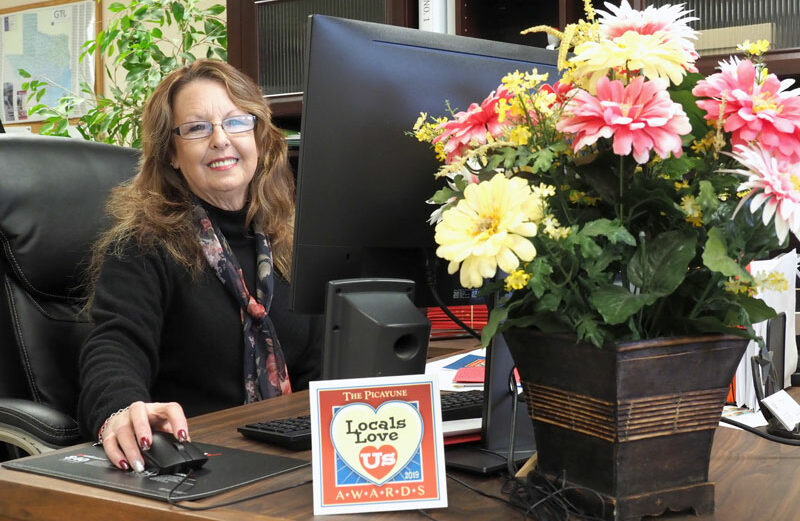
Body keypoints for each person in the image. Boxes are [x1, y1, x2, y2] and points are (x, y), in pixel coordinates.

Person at [78, 59, 322, 473]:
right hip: (197, 464)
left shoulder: (291, 243)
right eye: (197, 128)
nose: (220, 140)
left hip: (293, 456)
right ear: (171, 153)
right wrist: (120, 409)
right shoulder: (142, 245)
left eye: (236, 122)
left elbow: (320, 366)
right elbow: (115, 344)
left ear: (259, 138)